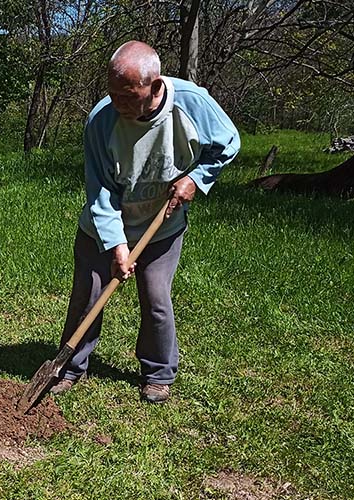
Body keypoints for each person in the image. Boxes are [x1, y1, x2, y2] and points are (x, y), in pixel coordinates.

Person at [51, 41, 240, 403]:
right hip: (104, 227)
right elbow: (100, 191)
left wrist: (196, 179)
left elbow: (228, 143)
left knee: (156, 298)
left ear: (154, 87)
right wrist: (117, 245)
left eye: (126, 95)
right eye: (112, 93)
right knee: (88, 296)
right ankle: (70, 367)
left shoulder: (191, 103)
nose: (117, 102)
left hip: (161, 225)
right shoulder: (101, 120)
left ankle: (158, 374)